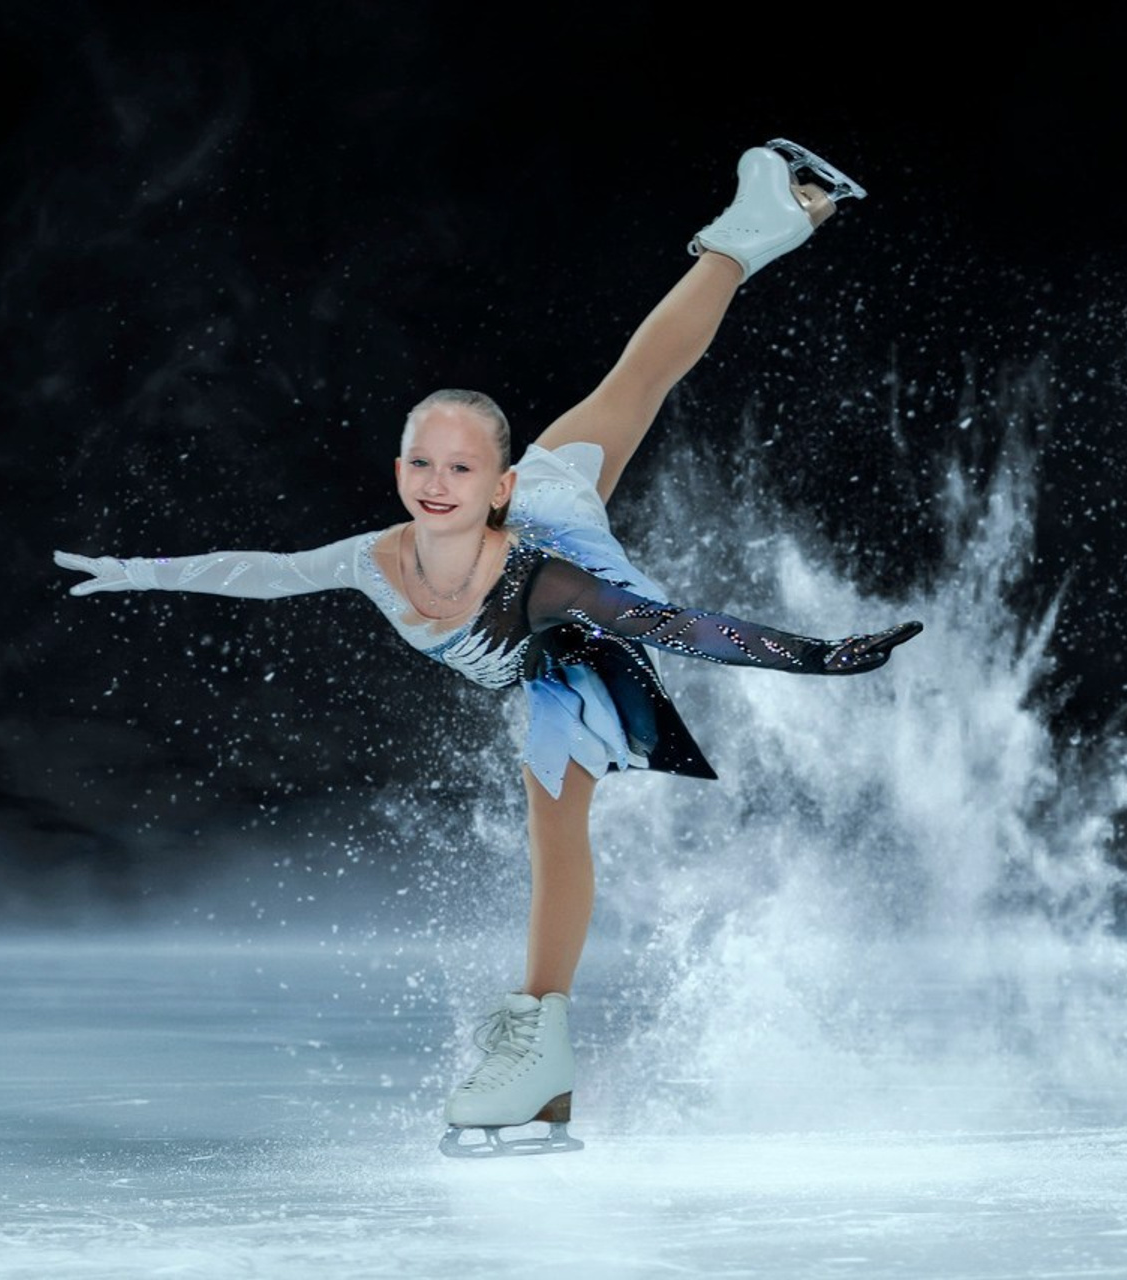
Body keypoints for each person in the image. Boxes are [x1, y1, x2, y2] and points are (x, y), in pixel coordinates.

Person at [55, 140, 921, 1157]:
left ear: (493, 486)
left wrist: (817, 657)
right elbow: (266, 569)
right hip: (549, 489)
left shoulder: (546, 581)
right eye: (421, 460)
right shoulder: (377, 554)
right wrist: (141, 570)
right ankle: (770, 218)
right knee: (639, 373)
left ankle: (537, 1042)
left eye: (460, 466)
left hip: (563, 635)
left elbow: (675, 628)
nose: (435, 479)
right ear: (399, 469)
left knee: (552, 814)